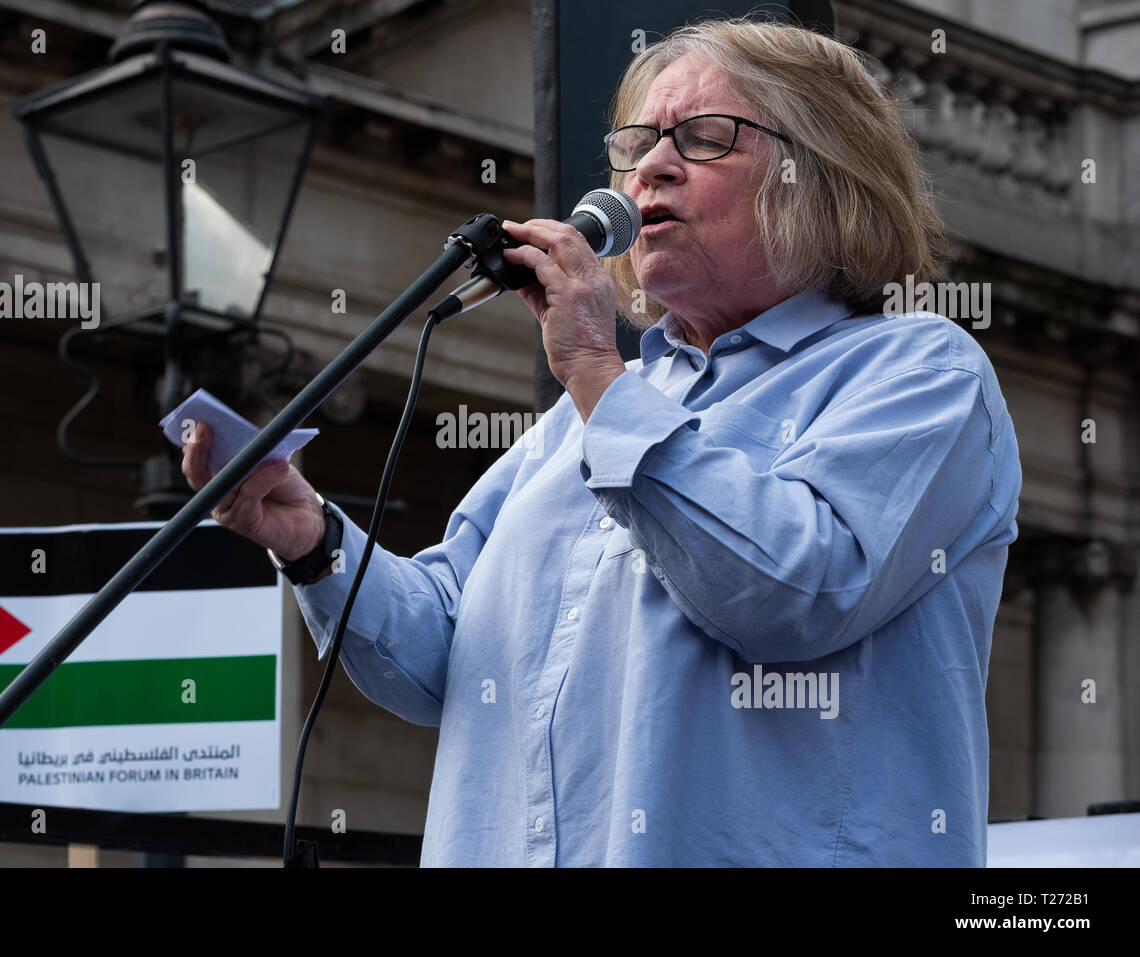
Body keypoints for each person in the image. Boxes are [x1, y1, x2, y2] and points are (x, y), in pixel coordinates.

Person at [182, 18, 1021, 866]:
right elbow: (442, 655)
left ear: (821, 173)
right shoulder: (573, 426)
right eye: (638, 143)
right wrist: (312, 540)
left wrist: (593, 369)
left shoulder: (921, 372)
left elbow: (796, 591)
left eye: (703, 139)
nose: (650, 165)